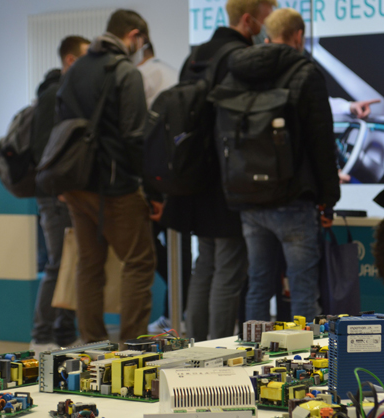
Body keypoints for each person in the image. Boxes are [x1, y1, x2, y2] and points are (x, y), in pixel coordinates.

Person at [161, 0, 276, 342]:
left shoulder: (196, 55)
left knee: (204, 267)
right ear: (248, 19)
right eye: (268, 12)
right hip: (228, 181)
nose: (270, 20)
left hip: (194, 178)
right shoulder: (240, 57)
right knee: (228, 272)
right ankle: (216, 354)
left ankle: (195, 348)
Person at [222, 7, 339, 321]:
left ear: (267, 35)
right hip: (293, 198)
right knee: (302, 291)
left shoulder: (239, 72)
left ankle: (252, 358)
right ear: (298, 36)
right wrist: (329, 199)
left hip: (248, 196)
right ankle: (306, 364)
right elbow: (321, 142)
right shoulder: (306, 72)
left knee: (258, 285)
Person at [56, 10, 156, 343]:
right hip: (114, 187)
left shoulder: (77, 69)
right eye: (142, 41)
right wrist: (149, 188)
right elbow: (134, 137)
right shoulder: (125, 72)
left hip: (76, 184)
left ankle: (93, 345)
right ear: (133, 35)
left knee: (89, 265)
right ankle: (133, 348)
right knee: (139, 261)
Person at [30, 35, 90, 351]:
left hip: (66, 194)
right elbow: (44, 151)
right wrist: (61, 189)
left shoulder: (66, 93)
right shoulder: (52, 95)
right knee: (57, 263)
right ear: (70, 60)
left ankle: (65, 334)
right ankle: (41, 336)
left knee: (70, 260)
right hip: (55, 196)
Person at [136, 41, 192, 334]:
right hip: (173, 179)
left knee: (161, 253)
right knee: (172, 253)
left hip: (157, 182)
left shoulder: (143, 76)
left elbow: (141, 140)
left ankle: (174, 316)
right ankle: (174, 314)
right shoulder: (169, 74)